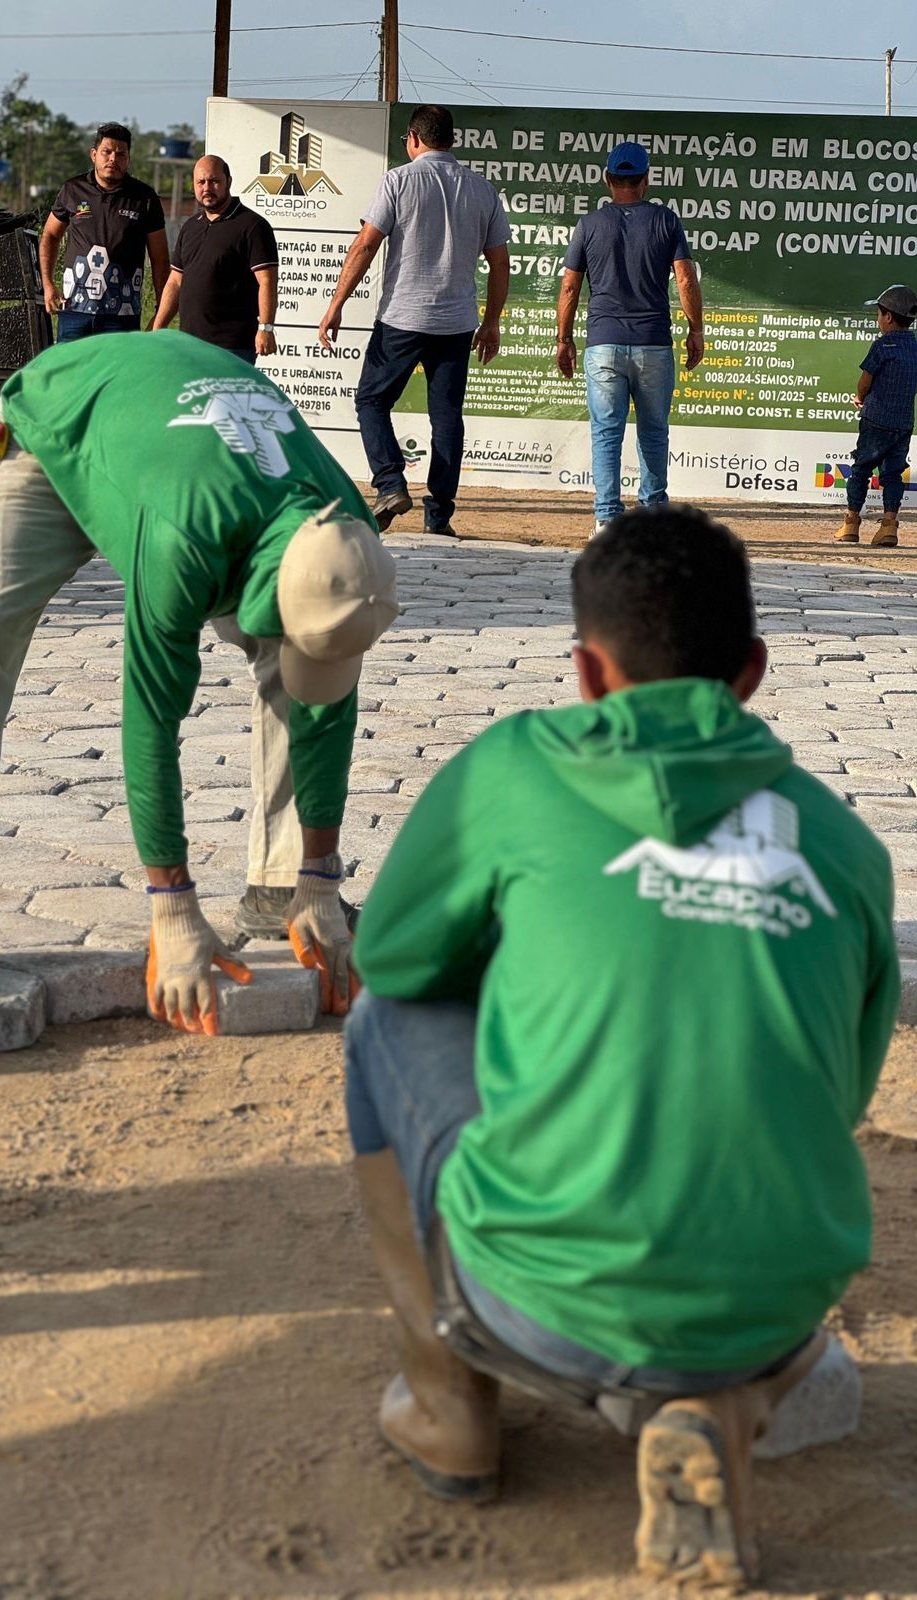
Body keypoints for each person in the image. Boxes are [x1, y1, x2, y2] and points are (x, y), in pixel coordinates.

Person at [344, 506, 898, 1586]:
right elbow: (842, 1091)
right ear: (753, 670)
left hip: (540, 1307)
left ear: (589, 672)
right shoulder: (846, 844)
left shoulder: (515, 769)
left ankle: (451, 1409)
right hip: (778, 1314)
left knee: (380, 1021)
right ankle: (722, 1406)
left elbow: (394, 957)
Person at [0, 331, 398, 1030]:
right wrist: (172, 908)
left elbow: (327, 705)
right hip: (54, 426)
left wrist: (319, 880)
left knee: (295, 650)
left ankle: (282, 887)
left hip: (170, 444)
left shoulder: (347, 529)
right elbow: (151, 715)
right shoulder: (186, 538)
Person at [318, 104, 510, 539]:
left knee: (371, 400)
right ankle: (438, 516)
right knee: (447, 418)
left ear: (414, 138)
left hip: (402, 318)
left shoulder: (398, 181)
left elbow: (365, 245)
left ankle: (390, 483)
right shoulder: (482, 190)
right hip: (456, 322)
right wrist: (492, 321)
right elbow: (500, 263)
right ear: (451, 140)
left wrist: (336, 303)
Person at [555, 141, 704, 536]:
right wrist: (696, 329)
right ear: (646, 180)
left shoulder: (589, 225)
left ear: (607, 179)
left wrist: (564, 339)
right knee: (653, 431)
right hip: (653, 342)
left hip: (604, 344)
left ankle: (606, 519)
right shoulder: (666, 220)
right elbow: (685, 278)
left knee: (607, 433)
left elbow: (569, 287)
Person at [39, 122, 169, 341]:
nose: (113, 159)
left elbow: (160, 259)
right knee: (73, 364)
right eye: (106, 152)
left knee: (118, 365)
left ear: (128, 159)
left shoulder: (145, 198)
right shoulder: (73, 190)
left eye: (120, 154)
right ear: (94, 154)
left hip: (122, 315)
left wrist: (160, 312)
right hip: (74, 311)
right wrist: (48, 284)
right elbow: (50, 235)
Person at [151, 154, 278, 365]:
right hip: (189, 344)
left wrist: (266, 328)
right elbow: (175, 281)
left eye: (214, 181)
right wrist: (158, 328)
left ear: (229, 181)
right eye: (201, 182)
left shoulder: (252, 226)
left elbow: (267, 281)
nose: (207, 188)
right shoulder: (190, 227)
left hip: (232, 347)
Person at [835, 283, 917, 548]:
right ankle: (889, 527)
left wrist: (860, 397)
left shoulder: (883, 345)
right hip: (903, 422)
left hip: (876, 420)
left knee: (861, 469)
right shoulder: (915, 347)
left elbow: (865, 379)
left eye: (879, 314)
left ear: (888, 317)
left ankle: (851, 524)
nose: (878, 319)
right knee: (893, 474)